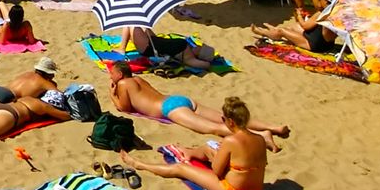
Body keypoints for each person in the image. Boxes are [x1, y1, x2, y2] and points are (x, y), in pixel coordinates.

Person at [107, 65, 290, 148]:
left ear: (121, 74)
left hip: (170, 109)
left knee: (214, 128)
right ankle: (272, 127)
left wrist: (112, 94)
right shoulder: (139, 79)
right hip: (179, 99)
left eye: (112, 72)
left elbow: (125, 108)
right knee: (223, 117)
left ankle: (261, 136)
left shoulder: (123, 85)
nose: (110, 75)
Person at [119, 96, 269, 190]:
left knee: (180, 169)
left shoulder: (231, 141)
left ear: (229, 121)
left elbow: (217, 171)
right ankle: (190, 153)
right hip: (256, 189)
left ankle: (139, 164)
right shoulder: (260, 139)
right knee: (209, 148)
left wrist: (217, 156)